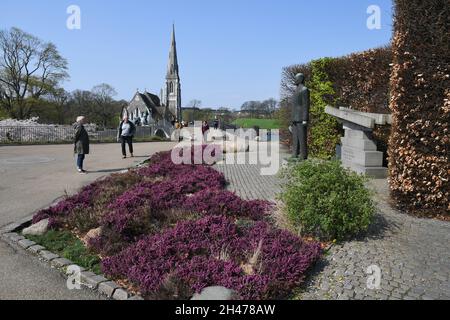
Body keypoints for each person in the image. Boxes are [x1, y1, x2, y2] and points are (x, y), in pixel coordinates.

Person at [291, 73, 310, 160]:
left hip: (301, 118)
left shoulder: (304, 89)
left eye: (296, 78)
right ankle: (294, 153)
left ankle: (303, 155)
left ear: (301, 79)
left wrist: (305, 119)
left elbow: (306, 105)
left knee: (302, 137)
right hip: (294, 117)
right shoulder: (295, 90)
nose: (295, 80)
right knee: (295, 137)